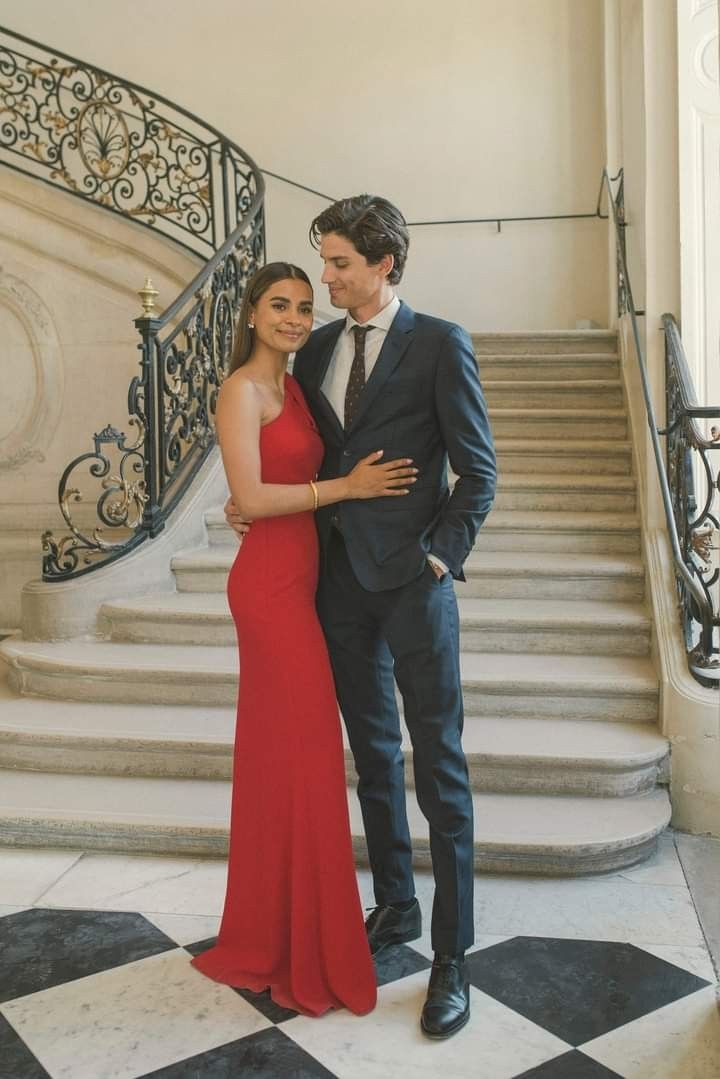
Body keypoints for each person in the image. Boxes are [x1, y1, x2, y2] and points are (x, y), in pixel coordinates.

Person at [227, 196, 497, 1039]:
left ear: (384, 263)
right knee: (373, 756)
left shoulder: (442, 343)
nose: (327, 278)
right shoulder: (311, 354)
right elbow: (298, 456)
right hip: (333, 586)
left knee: (439, 770)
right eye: (324, 262)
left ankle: (453, 956)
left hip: (415, 586)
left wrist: (440, 556)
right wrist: (254, 510)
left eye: (340, 263)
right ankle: (396, 906)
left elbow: (477, 473)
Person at [190, 260, 419, 1017]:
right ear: (252, 314)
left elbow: (263, 490)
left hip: (307, 583)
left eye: (303, 306)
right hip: (268, 592)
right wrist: (347, 487)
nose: (294, 316)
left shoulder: (297, 386)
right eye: (279, 305)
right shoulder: (241, 390)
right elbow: (251, 495)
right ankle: (287, 936)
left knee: (296, 761)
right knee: (307, 756)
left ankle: (289, 924)